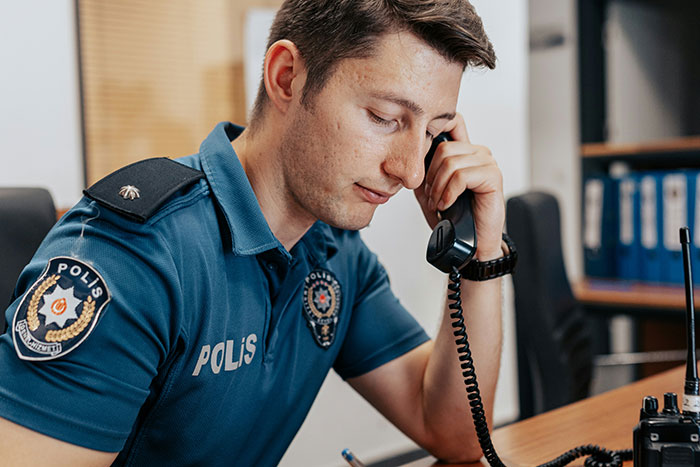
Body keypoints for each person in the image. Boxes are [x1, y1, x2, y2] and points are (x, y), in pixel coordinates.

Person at [0, 0, 509, 465]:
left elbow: (454, 434)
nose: (412, 172)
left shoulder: (334, 251)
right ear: (287, 77)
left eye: (433, 131)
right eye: (384, 117)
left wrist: (479, 256)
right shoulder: (135, 257)